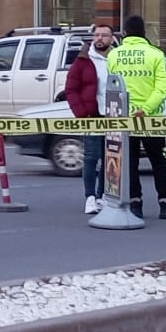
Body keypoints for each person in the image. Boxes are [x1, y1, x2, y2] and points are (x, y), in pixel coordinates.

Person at [106, 15, 166, 220]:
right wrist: (146, 109)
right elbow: (163, 88)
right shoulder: (156, 54)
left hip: (123, 118)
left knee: (130, 163)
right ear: (144, 32)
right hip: (150, 119)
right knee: (159, 160)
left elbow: (112, 87)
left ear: (125, 33)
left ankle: (135, 203)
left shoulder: (114, 55)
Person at [66, 24, 115, 215]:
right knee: (91, 157)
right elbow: (71, 89)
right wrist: (82, 113)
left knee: (109, 158)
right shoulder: (83, 61)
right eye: (97, 35)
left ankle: (103, 196)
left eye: (104, 35)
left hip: (113, 116)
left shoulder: (117, 58)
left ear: (112, 39)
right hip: (92, 116)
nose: (100, 38)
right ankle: (90, 197)